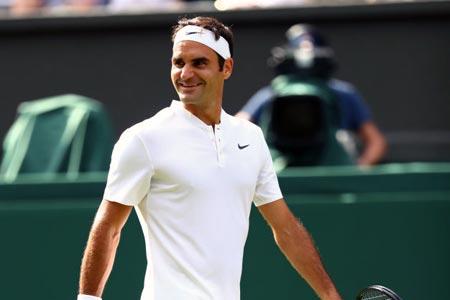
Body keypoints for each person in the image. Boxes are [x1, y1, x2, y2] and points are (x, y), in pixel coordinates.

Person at [77, 16, 341, 300]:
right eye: (179, 63)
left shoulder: (250, 138)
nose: (185, 74)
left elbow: (286, 228)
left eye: (199, 63)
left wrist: (329, 295)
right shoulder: (143, 139)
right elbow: (109, 227)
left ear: (226, 68)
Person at [236, 24, 387, 166]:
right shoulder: (270, 94)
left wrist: (354, 174)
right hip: (277, 181)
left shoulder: (345, 94)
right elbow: (236, 130)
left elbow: (375, 141)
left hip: (333, 181)